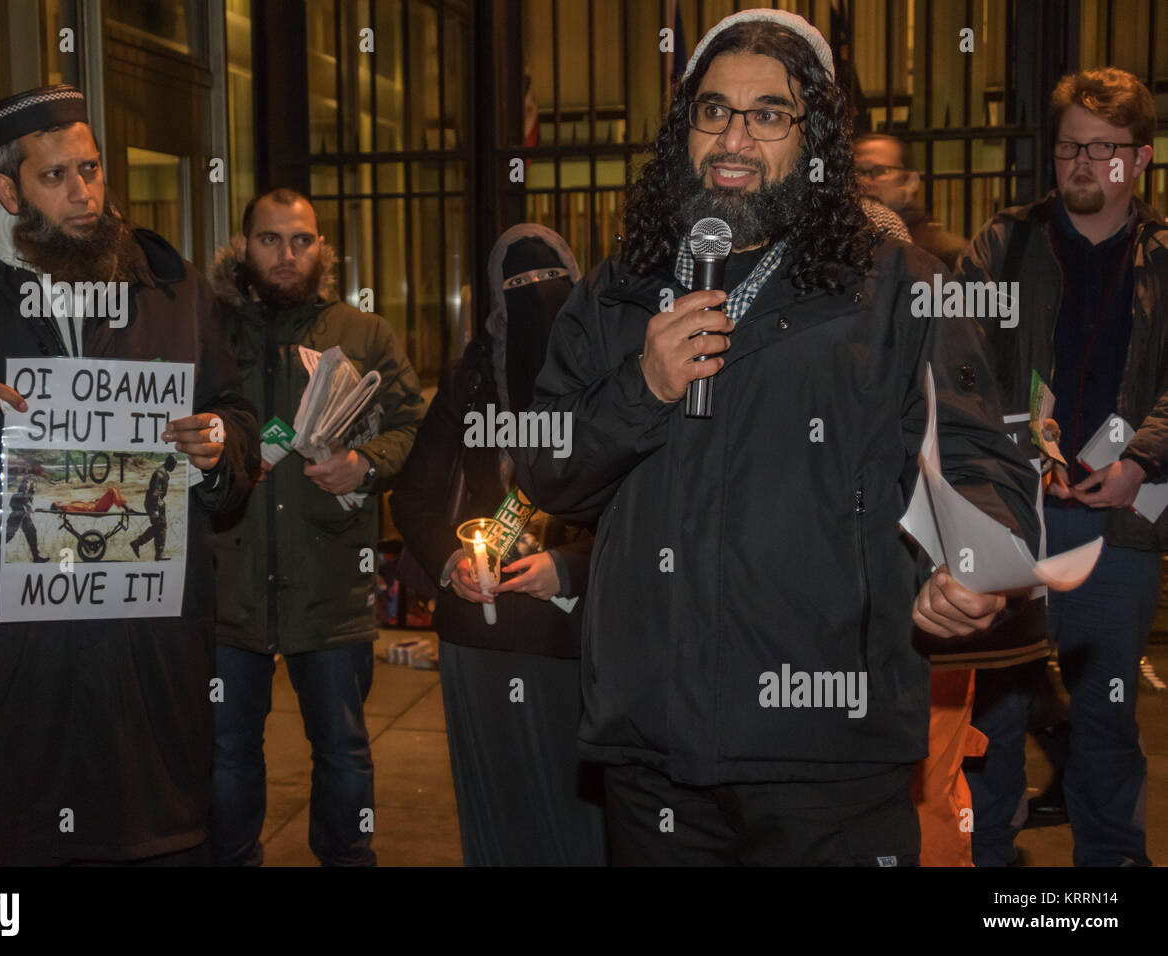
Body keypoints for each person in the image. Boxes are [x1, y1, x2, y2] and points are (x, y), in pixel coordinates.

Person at [515, 8, 1039, 866]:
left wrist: (972, 558)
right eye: (713, 110)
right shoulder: (619, 289)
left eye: (769, 115)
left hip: (830, 751)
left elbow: (980, 460)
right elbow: (544, 470)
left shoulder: (899, 285)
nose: (735, 137)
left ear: (816, 139)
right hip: (652, 747)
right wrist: (640, 388)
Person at [0, 84, 257, 865]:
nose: (84, 194)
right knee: (26, 836)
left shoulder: (168, 287)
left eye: (91, 168)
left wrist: (219, 444)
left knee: (159, 834)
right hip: (18, 654)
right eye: (56, 177)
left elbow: (233, 411)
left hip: (146, 648)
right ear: (6, 188)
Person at [958, 67, 1166, 867]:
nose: (1083, 164)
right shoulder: (1004, 245)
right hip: (1010, 518)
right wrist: (1016, 440)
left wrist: (1140, 463)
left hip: (1118, 524)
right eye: (1070, 147)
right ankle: (992, 870)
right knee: (998, 712)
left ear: (1141, 160)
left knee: (1106, 719)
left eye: (1104, 150)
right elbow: (954, 362)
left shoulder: (1162, 258)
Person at [208, 188, 424, 866]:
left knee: (343, 748)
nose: (287, 254)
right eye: (270, 239)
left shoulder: (364, 335)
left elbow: (414, 427)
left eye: (301, 240)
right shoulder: (206, 330)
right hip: (228, 580)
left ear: (321, 247)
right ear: (244, 247)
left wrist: (365, 465)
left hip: (330, 580)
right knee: (227, 749)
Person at [391, 223, 608, 866]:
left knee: (581, 827)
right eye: (518, 290)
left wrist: (569, 571)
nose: (537, 304)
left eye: (551, 286)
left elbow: (650, 515)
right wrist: (457, 561)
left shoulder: (612, 381)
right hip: (480, 640)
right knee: (498, 820)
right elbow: (414, 498)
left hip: (576, 640)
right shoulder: (471, 381)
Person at [855, 132, 967, 268]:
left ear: (909, 181)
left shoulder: (945, 252)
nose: (865, 182)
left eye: (881, 171)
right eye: (857, 172)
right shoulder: (843, 242)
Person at [131, 454, 175, 560]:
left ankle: (158, 553)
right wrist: (155, 509)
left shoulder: (164, 473)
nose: (174, 467)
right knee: (160, 525)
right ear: (169, 463)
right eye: (173, 465)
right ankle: (139, 543)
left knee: (161, 526)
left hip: (158, 503)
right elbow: (155, 492)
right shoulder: (160, 474)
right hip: (153, 503)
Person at [6, 474, 48, 562]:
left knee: (32, 533)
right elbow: (17, 502)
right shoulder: (18, 495)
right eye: (27, 484)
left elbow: (29, 496)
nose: (27, 486)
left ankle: (36, 557)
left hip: (24, 517)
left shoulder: (25, 494)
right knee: (8, 536)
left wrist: (32, 487)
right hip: (16, 517)